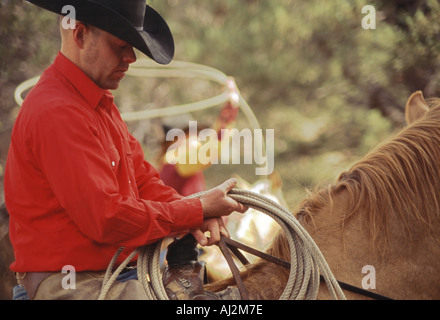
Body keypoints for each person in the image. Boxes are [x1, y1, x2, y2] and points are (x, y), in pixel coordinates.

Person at [4, 0, 247, 300]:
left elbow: (143, 181)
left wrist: (196, 216)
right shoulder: (57, 111)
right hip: (70, 284)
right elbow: (106, 217)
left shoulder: (100, 104)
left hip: (112, 275)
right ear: (79, 34)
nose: (130, 57)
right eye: (120, 45)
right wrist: (195, 209)